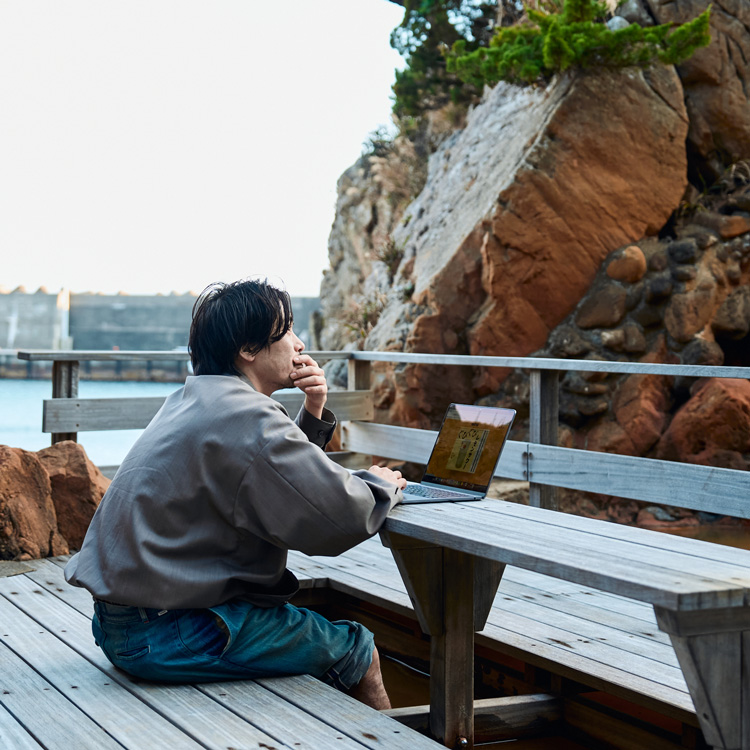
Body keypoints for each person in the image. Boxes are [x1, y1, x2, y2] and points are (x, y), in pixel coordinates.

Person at [65, 278, 406, 709]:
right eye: (287, 332)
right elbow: (338, 516)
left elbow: (270, 482)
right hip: (170, 634)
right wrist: (382, 485)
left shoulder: (192, 399)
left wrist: (313, 411)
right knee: (360, 651)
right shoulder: (248, 416)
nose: (299, 345)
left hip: (121, 626)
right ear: (248, 348)